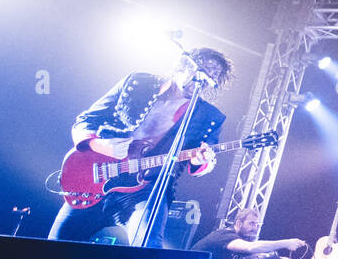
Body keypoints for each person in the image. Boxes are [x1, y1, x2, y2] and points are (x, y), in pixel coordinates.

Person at [48, 48, 232, 247]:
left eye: (213, 76)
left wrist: (201, 162)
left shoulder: (209, 116)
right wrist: (99, 145)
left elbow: (204, 159)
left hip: (145, 189)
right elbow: (85, 120)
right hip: (97, 174)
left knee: (148, 249)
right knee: (54, 247)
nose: (205, 79)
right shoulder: (138, 83)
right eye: (204, 70)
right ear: (185, 65)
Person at [191, 208, 307, 259]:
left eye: (257, 225)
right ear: (239, 223)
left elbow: (256, 253)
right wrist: (286, 243)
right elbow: (252, 248)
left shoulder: (238, 239)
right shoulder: (225, 235)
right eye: (251, 223)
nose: (255, 228)